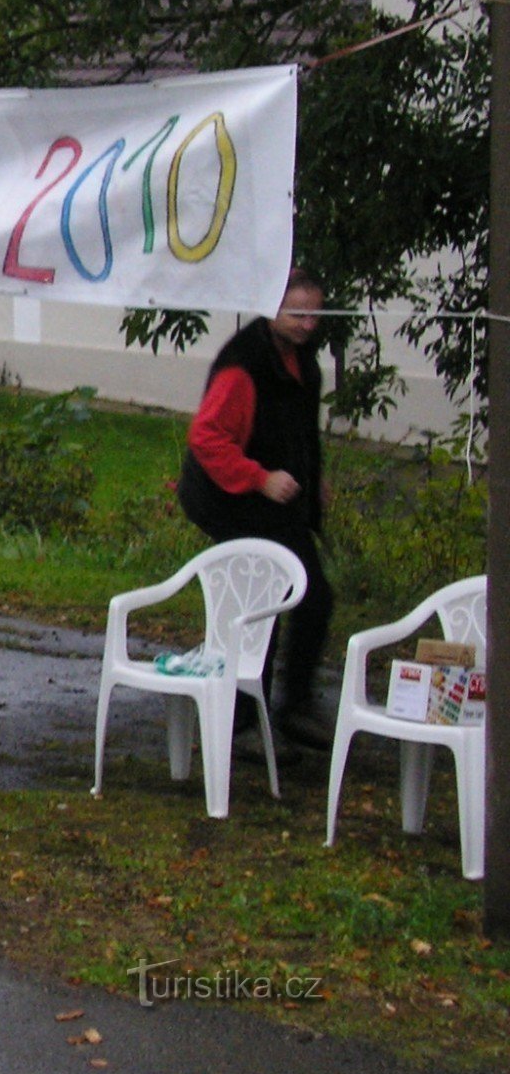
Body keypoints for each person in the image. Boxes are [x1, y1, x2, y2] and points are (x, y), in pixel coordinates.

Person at [177, 269, 334, 751]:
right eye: (298, 313)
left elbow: (299, 431)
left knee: (311, 596)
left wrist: (313, 479)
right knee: (268, 598)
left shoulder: (304, 364)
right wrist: (259, 478)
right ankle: (247, 720)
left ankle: (289, 707)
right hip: (230, 498)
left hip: (277, 501)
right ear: (271, 308)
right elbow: (206, 437)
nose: (308, 324)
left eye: (315, 313)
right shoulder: (244, 365)